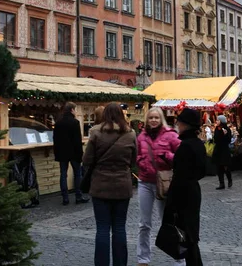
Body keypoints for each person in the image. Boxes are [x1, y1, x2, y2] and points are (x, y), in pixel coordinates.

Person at [83, 103, 136, 266]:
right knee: (120, 227)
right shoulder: (131, 134)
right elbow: (134, 161)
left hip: (100, 185)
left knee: (102, 228)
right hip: (122, 185)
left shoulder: (96, 133)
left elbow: (86, 160)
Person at [136, 107, 182, 266]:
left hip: (164, 183)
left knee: (168, 222)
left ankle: (179, 258)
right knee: (144, 223)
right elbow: (136, 154)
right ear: (147, 120)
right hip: (145, 182)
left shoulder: (170, 135)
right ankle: (143, 258)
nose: (153, 120)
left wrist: (168, 156)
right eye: (151, 118)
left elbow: (182, 156)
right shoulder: (141, 137)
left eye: (156, 117)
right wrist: (140, 162)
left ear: (161, 119)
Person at [162, 108, 206, 266]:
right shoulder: (198, 144)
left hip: (183, 196)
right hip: (193, 192)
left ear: (185, 125)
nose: (177, 125)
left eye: (179, 122)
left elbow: (179, 177)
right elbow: (203, 169)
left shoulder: (185, 146)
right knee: (191, 236)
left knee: (188, 238)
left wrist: (170, 205)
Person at [53, 102, 89, 206]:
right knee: (77, 174)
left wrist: (57, 153)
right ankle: (78, 196)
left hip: (62, 153)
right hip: (74, 152)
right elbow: (77, 140)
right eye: (75, 109)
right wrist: (80, 154)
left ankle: (65, 198)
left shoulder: (58, 122)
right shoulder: (75, 123)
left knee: (63, 175)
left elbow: (55, 139)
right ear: (72, 110)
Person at [212, 115, 232, 189]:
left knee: (226, 166)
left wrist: (225, 134)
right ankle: (221, 183)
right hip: (218, 149)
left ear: (221, 121)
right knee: (219, 167)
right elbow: (216, 139)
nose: (216, 121)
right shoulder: (217, 129)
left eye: (218, 120)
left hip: (224, 150)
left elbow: (228, 140)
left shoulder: (227, 129)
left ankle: (229, 179)